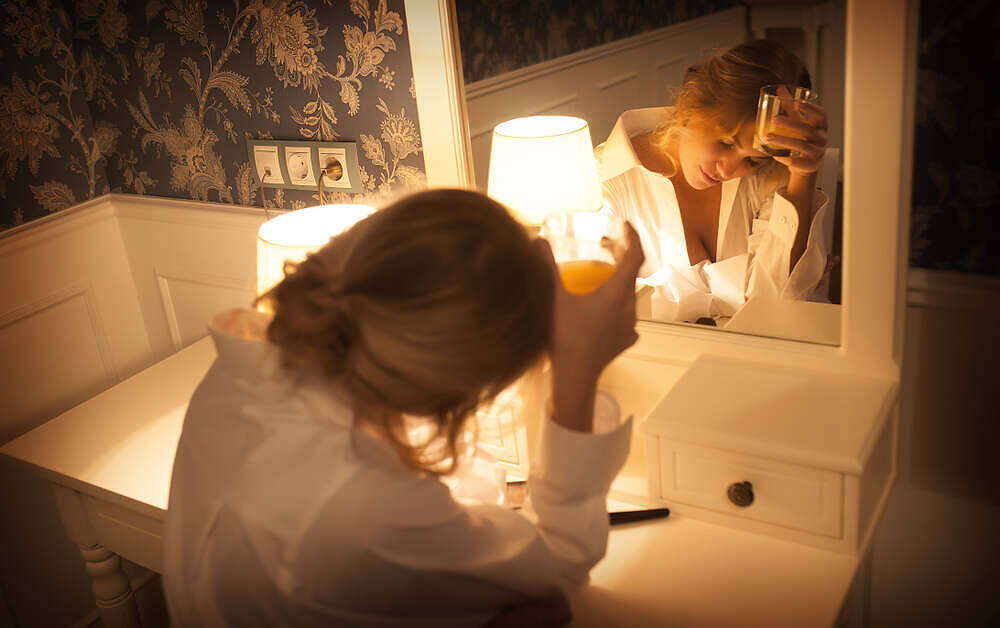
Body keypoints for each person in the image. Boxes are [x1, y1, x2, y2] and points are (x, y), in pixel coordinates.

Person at [162, 188, 645, 627]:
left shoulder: (245, 365)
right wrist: (577, 372)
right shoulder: (362, 506)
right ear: (451, 387)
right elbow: (557, 567)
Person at [595, 40, 835, 324]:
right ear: (691, 104)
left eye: (751, 160)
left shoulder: (766, 176)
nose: (729, 169)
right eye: (725, 142)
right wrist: (740, 286)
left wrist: (803, 177)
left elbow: (779, 302)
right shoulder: (605, 180)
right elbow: (611, 301)